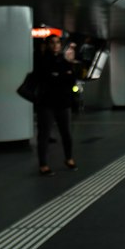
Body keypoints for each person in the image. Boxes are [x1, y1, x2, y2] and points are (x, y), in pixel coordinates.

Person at [33, 35, 78, 174]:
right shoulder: (41, 61)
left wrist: (64, 73)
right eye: (52, 43)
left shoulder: (65, 61)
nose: (55, 45)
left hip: (63, 103)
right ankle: (43, 164)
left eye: (57, 43)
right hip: (46, 104)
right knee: (44, 135)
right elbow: (46, 79)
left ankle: (69, 158)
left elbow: (71, 81)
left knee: (66, 134)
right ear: (47, 45)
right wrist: (62, 76)